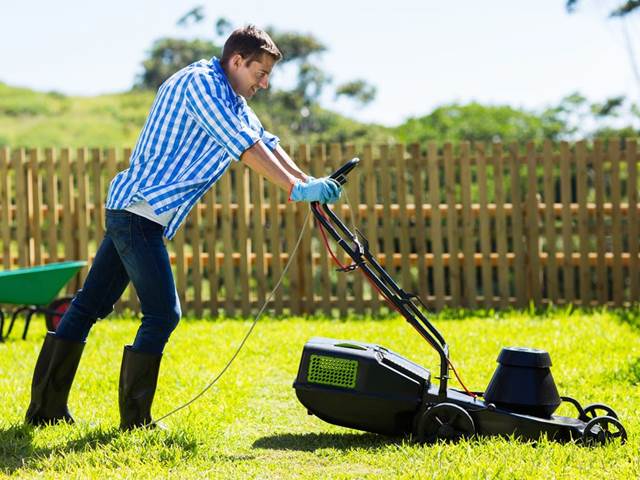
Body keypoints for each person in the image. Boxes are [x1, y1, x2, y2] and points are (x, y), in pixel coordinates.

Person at [25, 25, 341, 430]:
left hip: (138, 213)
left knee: (89, 305)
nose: (264, 83)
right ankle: (134, 420)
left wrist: (309, 183)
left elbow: (265, 141)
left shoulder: (232, 96)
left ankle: (45, 410)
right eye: (259, 73)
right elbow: (243, 146)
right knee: (162, 313)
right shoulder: (201, 85)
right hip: (139, 211)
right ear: (237, 61)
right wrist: (295, 189)